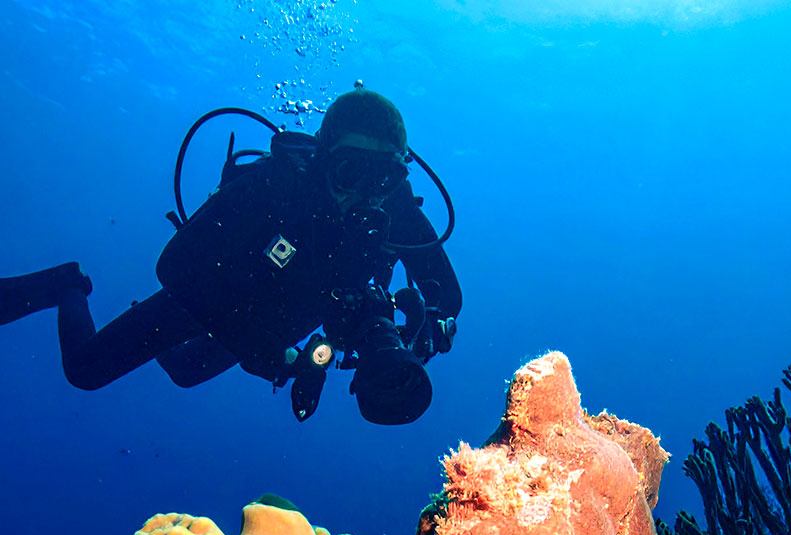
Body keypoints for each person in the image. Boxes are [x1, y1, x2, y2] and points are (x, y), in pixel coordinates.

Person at [0, 88, 462, 424]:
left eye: (381, 179)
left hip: (288, 316)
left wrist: (425, 329)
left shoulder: (394, 205)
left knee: (185, 370)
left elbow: (449, 295)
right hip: (217, 292)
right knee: (85, 370)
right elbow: (173, 266)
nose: (366, 193)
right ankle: (65, 285)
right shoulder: (275, 186)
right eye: (350, 171)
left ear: (397, 176)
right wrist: (267, 349)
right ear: (324, 160)